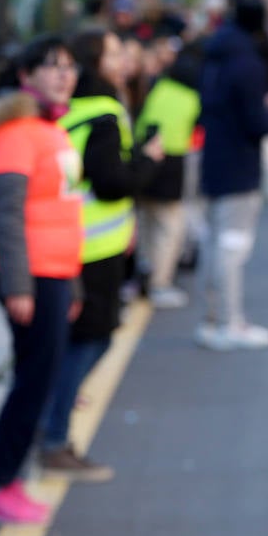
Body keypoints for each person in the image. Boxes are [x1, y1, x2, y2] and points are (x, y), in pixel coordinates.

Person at [37, 28, 163, 482]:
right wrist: (148, 159)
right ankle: (55, 436)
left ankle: (52, 416)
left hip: (69, 244)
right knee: (94, 338)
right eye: (113, 52)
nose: (123, 58)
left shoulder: (67, 110)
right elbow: (110, 181)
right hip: (96, 248)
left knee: (76, 340)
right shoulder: (106, 113)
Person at [0, 35, 84, 524]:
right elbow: (7, 215)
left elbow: (65, 211)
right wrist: (18, 285)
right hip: (30, 273)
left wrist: (72, 282)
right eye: (52, 66)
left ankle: (8, 478)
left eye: (69, 66)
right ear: (26, 76)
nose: (64, 74)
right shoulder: (17, 133)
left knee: (40, 378)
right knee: (34, 382)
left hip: (55, 272)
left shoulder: (50, 130)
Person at [196, 0, 268, 351]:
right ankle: (228, 323)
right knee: (232, 246)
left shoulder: (216, 53)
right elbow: (256, 122)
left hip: (215, 154)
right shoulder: (248, 63)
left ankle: (212, 319)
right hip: (239, 161)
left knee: (215, 243)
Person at [134, 41, 204, 309]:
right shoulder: (193, 98)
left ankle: (143, 273)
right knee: (170, 225)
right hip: (173, 161)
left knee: (148, 221)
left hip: (145, 155)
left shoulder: (159, 88)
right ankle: (160, 284)